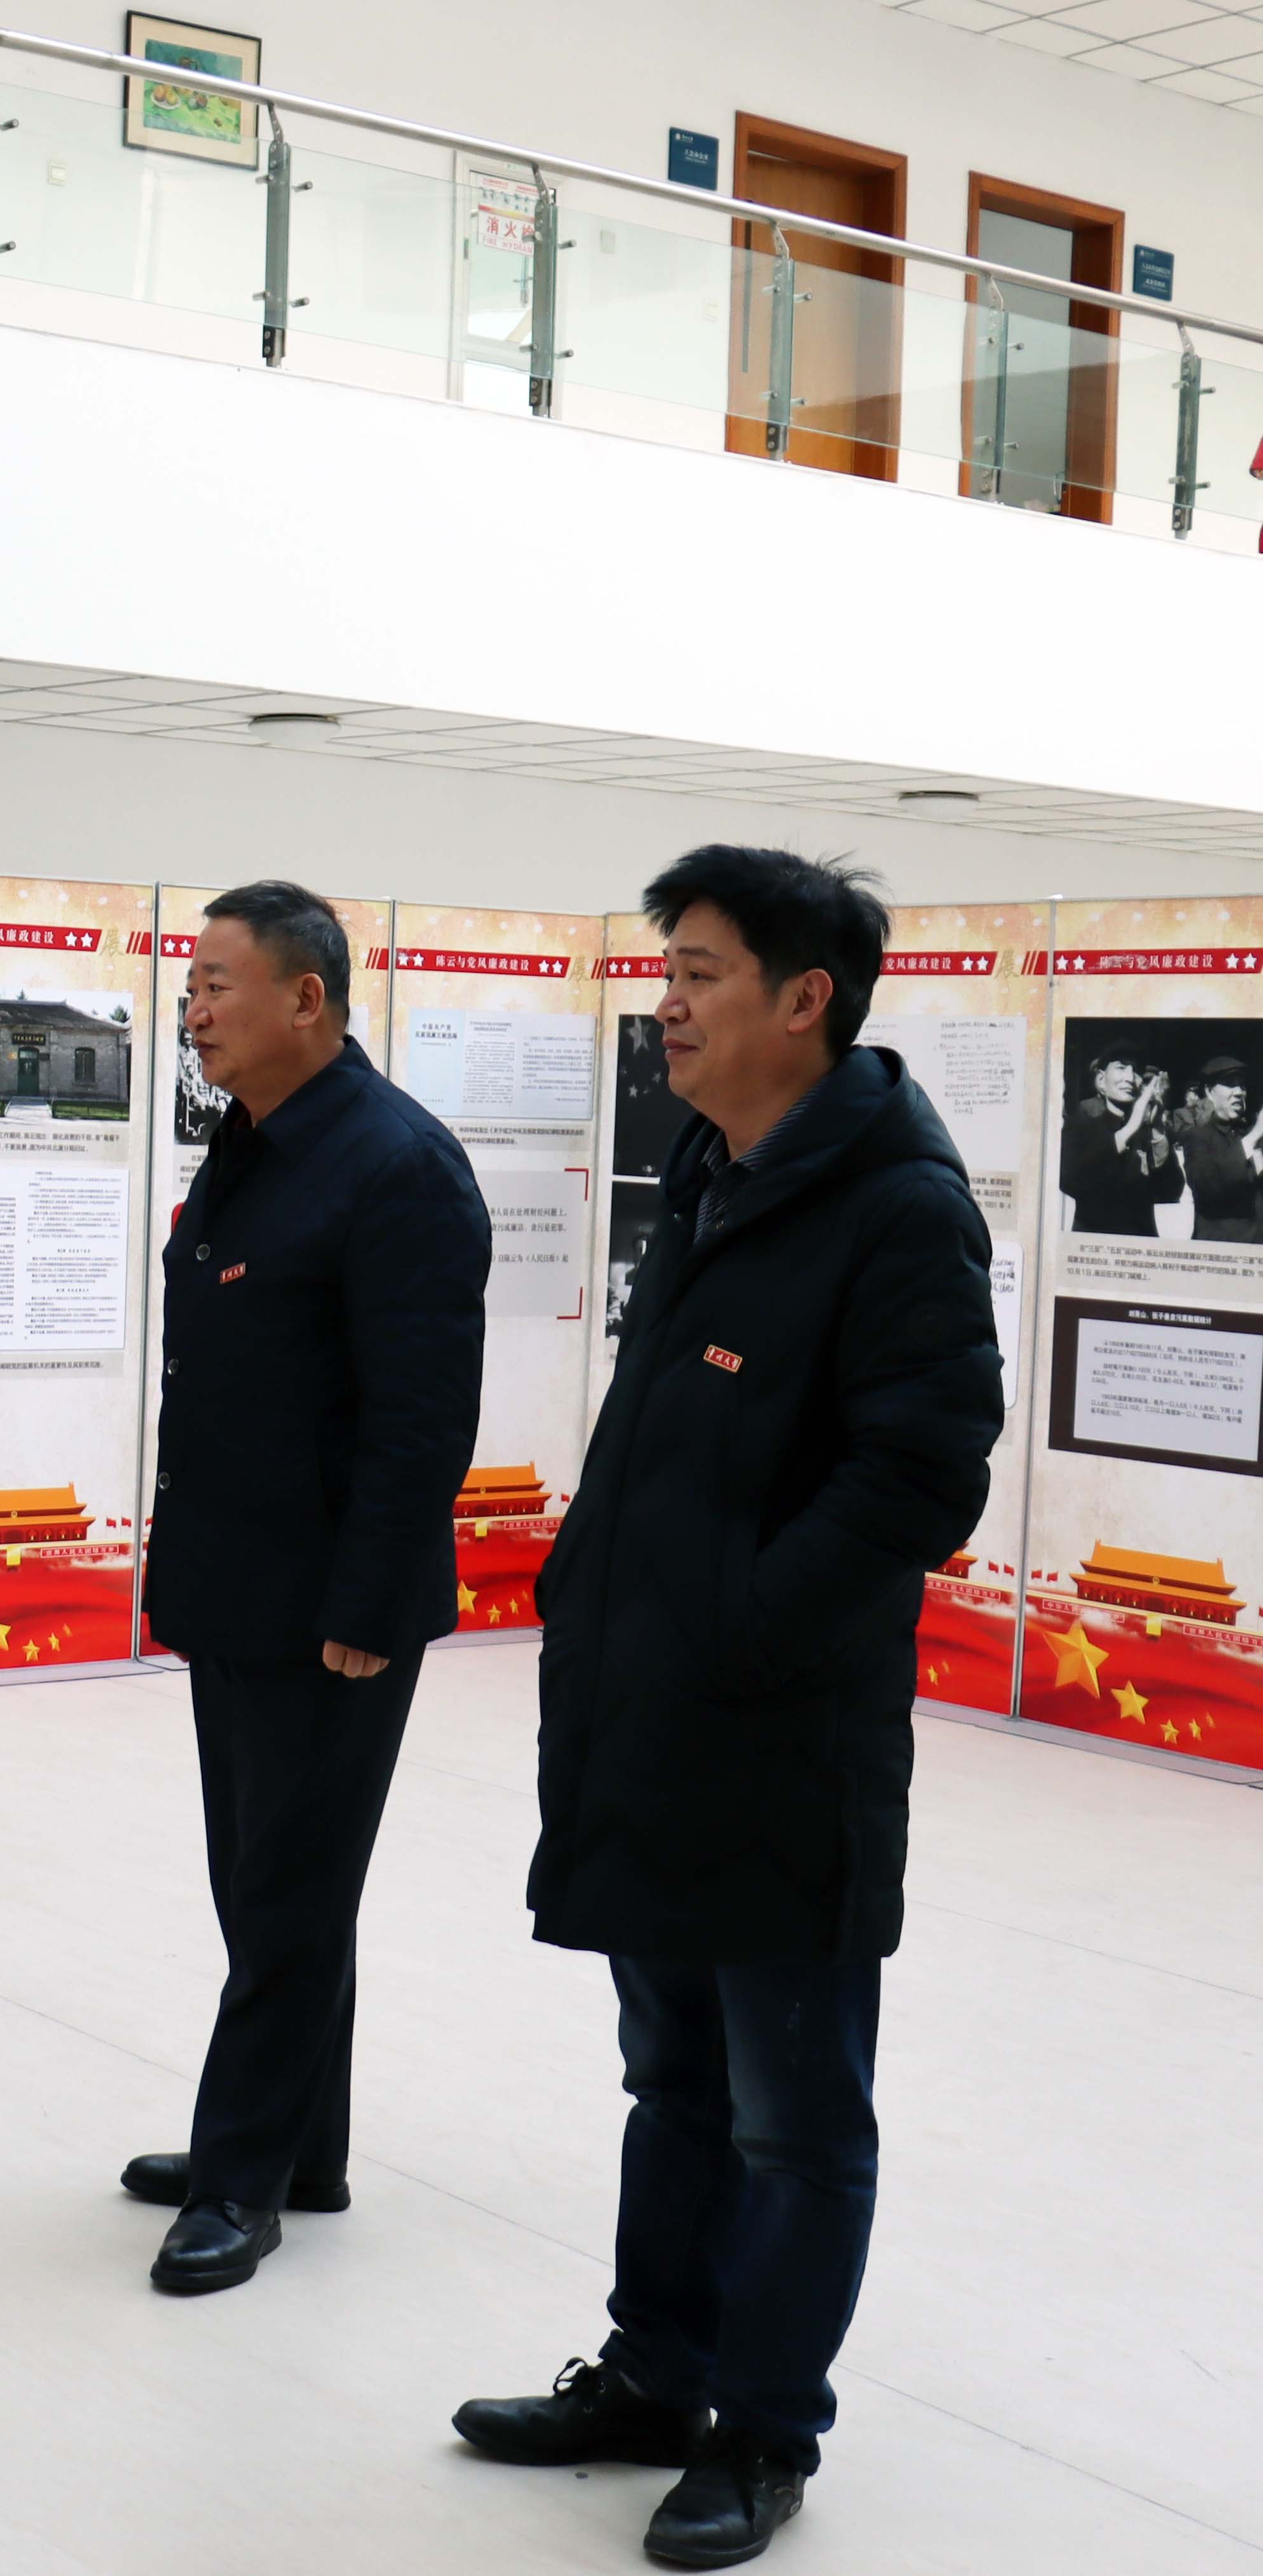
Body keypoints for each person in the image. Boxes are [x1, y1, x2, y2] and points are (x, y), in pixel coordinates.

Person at [457, 849, 1001, 2572]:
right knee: (672, 2078)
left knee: (792, 2114)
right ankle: (653, 2374)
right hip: (651, 1715)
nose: (665, 1005)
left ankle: (763, 2430)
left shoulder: (897, 1208)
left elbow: (923, 1470)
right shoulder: (711, 1169)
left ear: (802, 999)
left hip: (780, 1742)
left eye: (697, 972)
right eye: (664, 971)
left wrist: (746, 1629)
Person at [132, 881, 489, 2293]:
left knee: (286, 1892)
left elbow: (421, 1417)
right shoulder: (255, 1142)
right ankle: (302, 2147)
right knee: (266, 1884)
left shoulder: (397, 1167)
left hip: (330, 1608)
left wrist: (369, 1606)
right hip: (238, 1580)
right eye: (188, 987)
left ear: (307, 997)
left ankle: (241, 2178)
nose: (193, 1012)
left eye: (216, 986)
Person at [1059, 1051, 1178, 1235]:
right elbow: (1071, 1182)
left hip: (1140, 1242)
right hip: (1094, 1242)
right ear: (1101, 1080)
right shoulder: (1080, 1127)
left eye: (1136, 1071)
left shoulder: (1149, 1134)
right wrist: (1128, 1130)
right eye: (1121, 1068)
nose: (1130, 1077)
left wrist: (1157, 1131)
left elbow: (1171, 1191)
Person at [1180, 1060, 1263, 1243]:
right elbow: (1206, 1186)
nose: (1239, 1092)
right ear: (1210, 1092)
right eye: (1230, 1084)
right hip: (1224, 1248)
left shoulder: (1250, 1134)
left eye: (1242, 1086)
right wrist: (1254, 1136)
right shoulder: (1198, 1137)